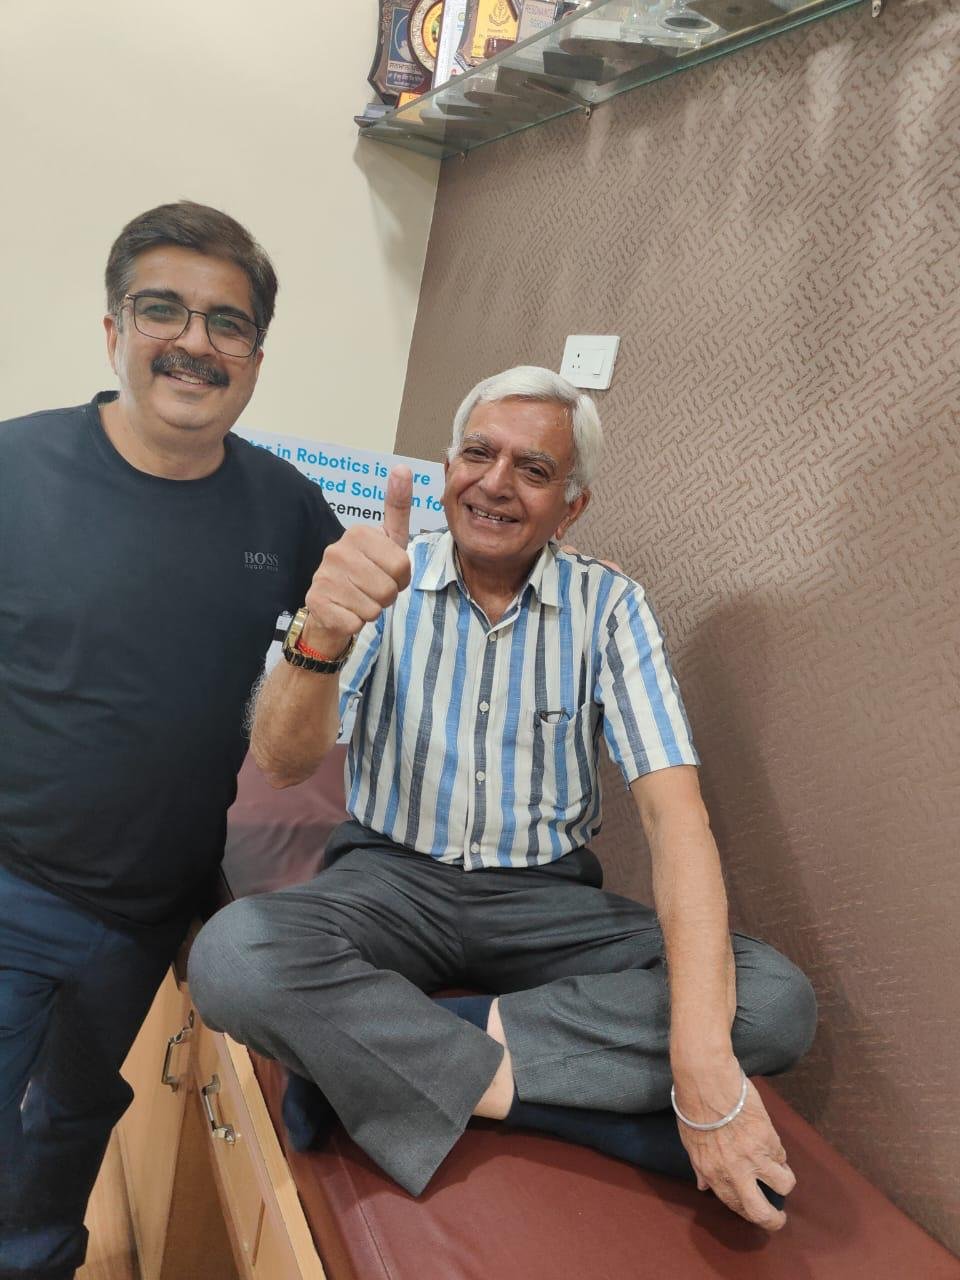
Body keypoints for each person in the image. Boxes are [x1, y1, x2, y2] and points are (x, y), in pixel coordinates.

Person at [188, 366, 817, 1232]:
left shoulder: (610, 607)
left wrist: (706, 1062)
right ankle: (563, 1106)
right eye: (478, 454)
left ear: (571, 506)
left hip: (545, 901)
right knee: (234, 957)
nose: (495, 482)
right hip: (390, 880)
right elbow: (281, 762)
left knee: (775, 1003)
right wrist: (320, 635)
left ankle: (374, 1063)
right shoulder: (381, 581)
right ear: (448, 467)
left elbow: (676, 820)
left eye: (533, 469)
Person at [0, 201, 342, 1280]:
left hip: (147, 911)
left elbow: (360, 653)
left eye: (226, 322)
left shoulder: (289, 511)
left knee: (68, 1123)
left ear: (255, 358)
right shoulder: (13, 467)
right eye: (163, 310)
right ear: (115, 329)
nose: (195, 341)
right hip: (11, 879)